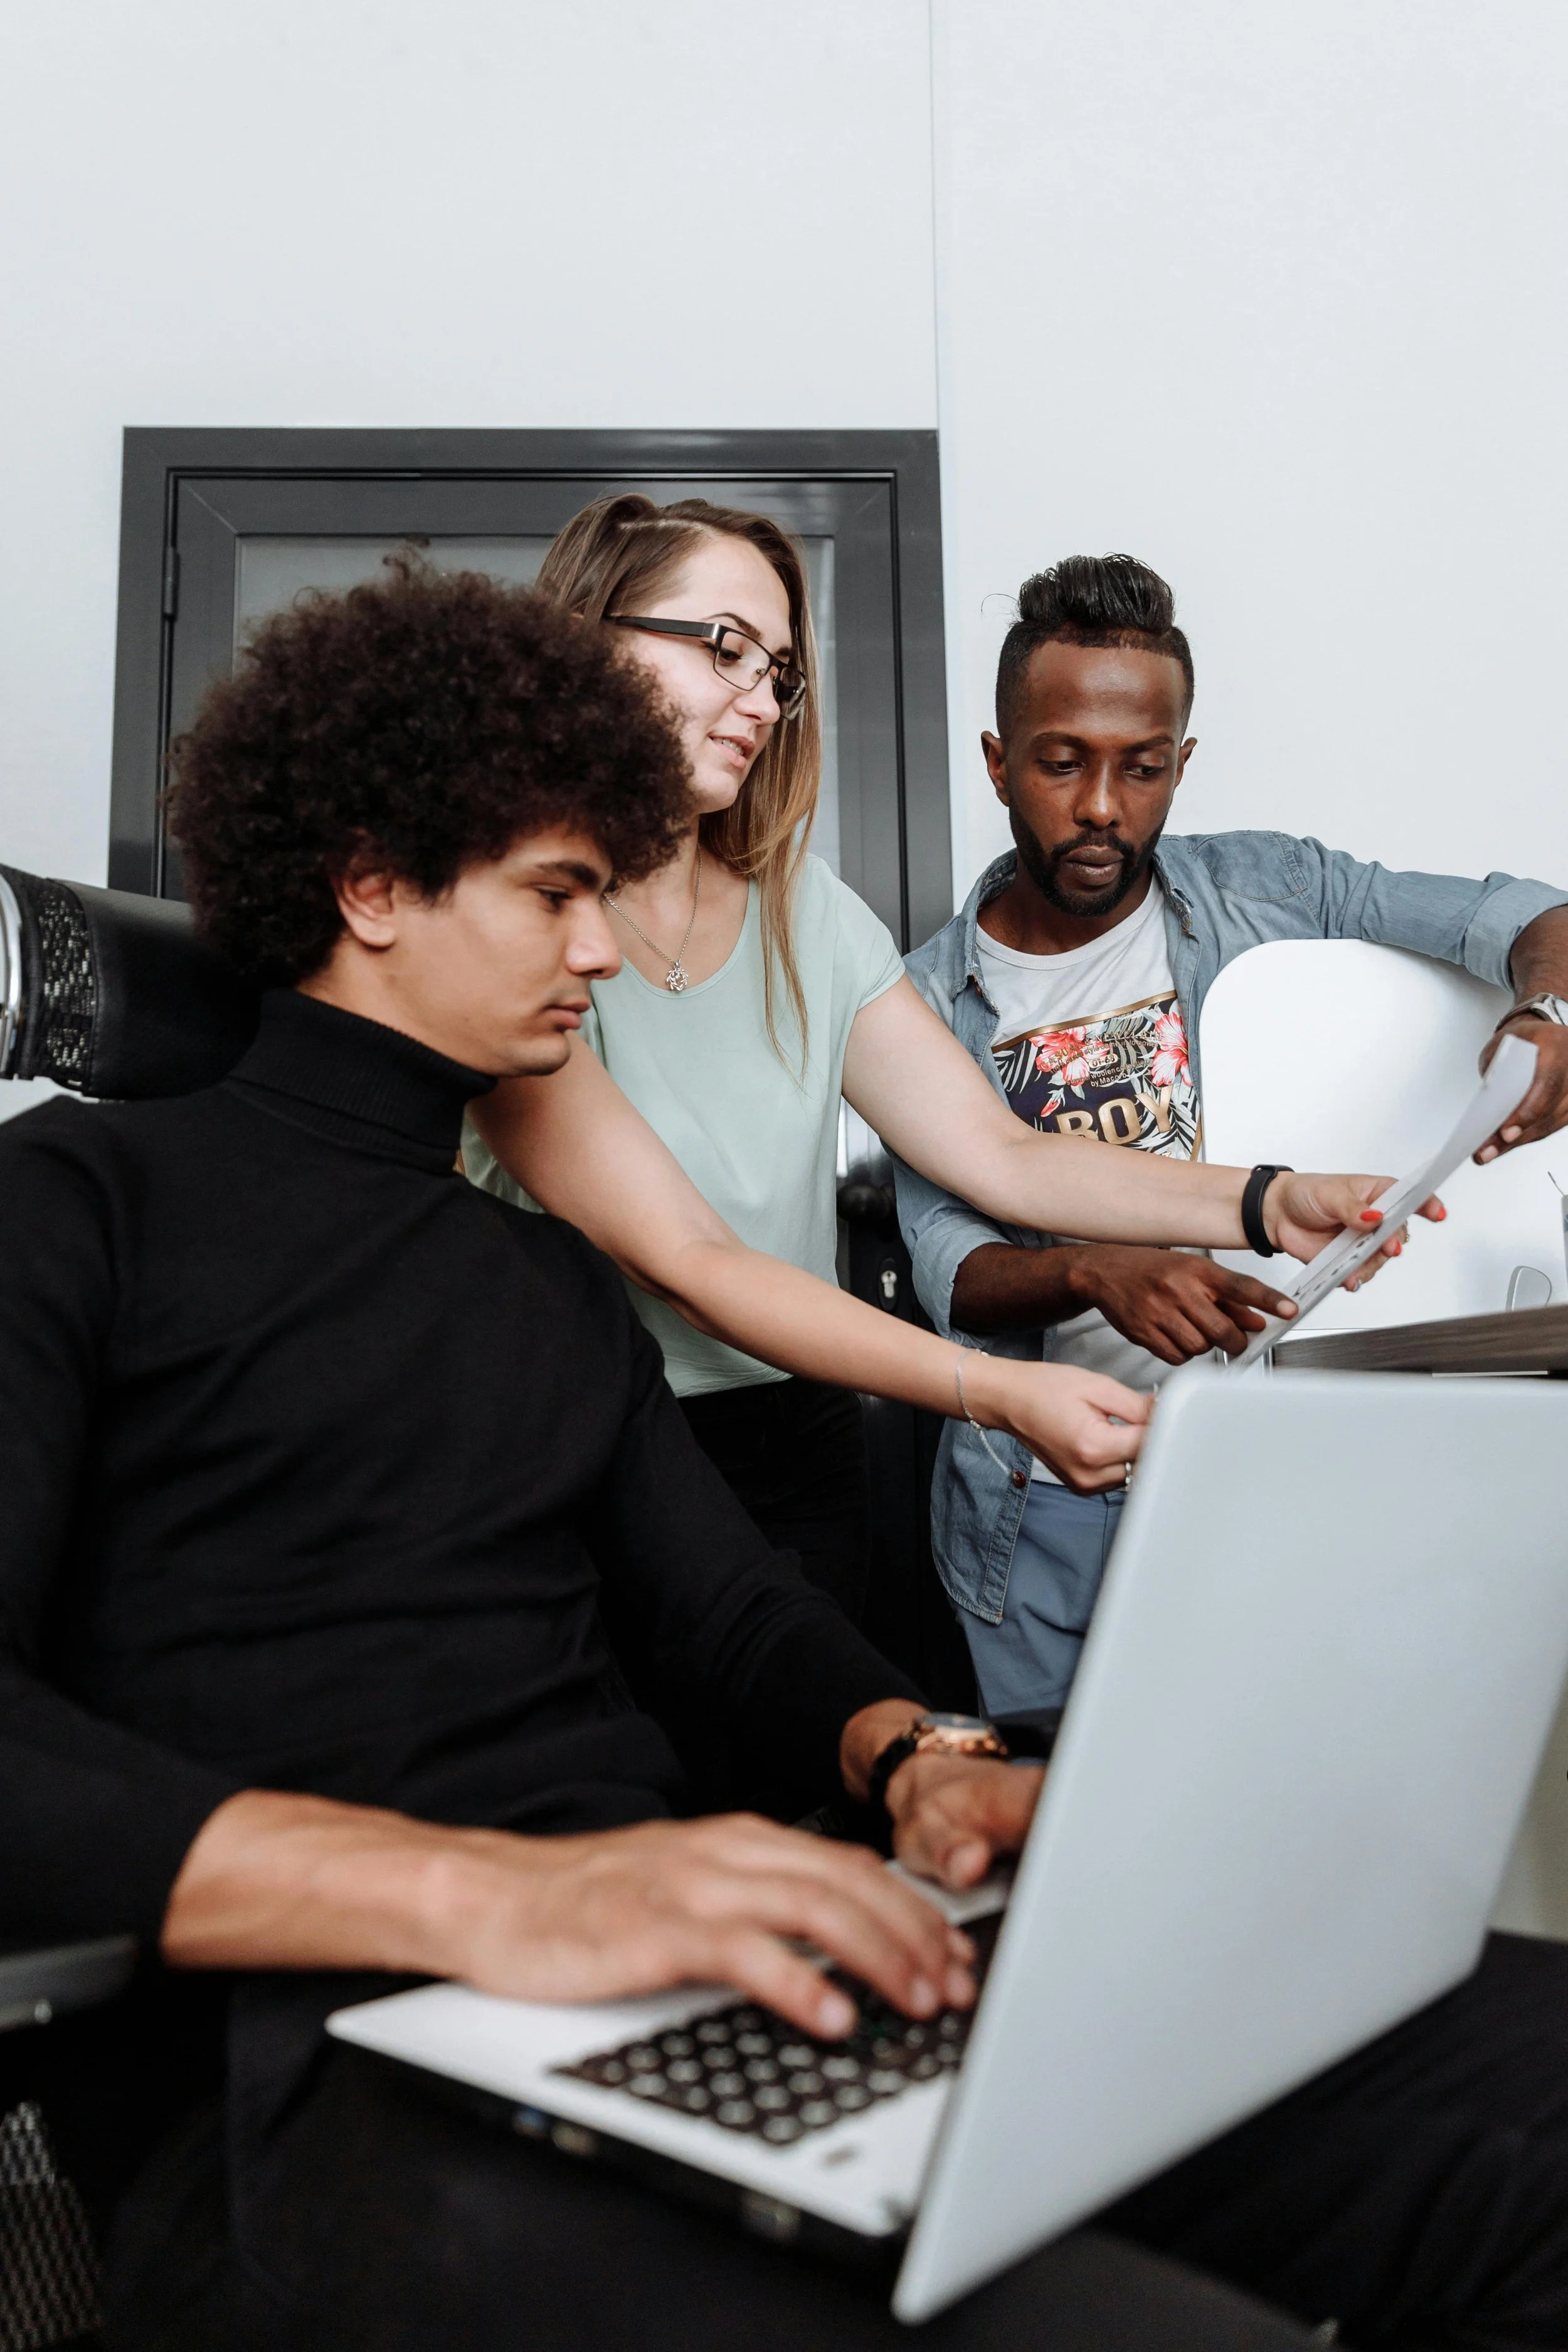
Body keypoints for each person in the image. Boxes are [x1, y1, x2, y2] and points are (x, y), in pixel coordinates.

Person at [4, 561, 1568, 2352]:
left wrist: (915, 1751)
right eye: (554, 894)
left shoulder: (536, 1275)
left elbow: (735, 1618)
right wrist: (495, 1888)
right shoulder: (73, 1209)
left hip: (677, 1986)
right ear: (368, 881)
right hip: (317, 2079)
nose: (602, 952)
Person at [465, 495, 1416, 1627]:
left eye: (779, 669)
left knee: (808, 1783)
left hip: (798, 1444)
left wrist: (1269, 1200)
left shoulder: (800, 908)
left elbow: (1002, 1154)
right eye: (726, 647)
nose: (762, 699)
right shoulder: (504, 918)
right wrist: (1009, 1390)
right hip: (580, 1436)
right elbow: (690, 1261)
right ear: (587, 634)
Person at [896, 553, 1568, 1716]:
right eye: (1062, 763)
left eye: (1142, 768)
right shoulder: (917, 1000)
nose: (1102, 805)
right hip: (1050, 1497)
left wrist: (1547, 1015)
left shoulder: (1269, 888)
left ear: (1181, 764)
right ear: (1000, 763)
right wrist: (1094, 1272)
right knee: (1072, 1834)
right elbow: (953, 1270)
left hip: (1273, 1460)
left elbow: (1521, 915)